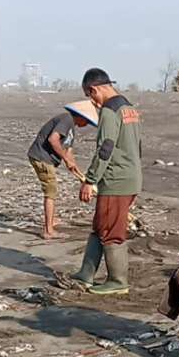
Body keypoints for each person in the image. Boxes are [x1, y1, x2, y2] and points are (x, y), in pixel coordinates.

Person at [69, 68, 143, 295]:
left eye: (91, 96)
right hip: (131, 176)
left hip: (116, 181)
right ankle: (86, 273)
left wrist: (89, 180)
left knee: (111, 231)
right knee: (100, 226)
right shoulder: (130, 108)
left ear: (95, 89)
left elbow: (105, 148)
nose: (93, 102)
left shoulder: (110, 111)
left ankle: (118, 281)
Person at [27, 101, 98, 239]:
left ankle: (51, 220)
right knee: (50, 192)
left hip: (47, 159)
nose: (86, 125)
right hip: (41, 158)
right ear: (81, 117)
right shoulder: (66, 119)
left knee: (52, 191)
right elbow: (53, 140)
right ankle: (48, 230)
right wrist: (65, 158)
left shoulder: (71, 127)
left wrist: (73, 164)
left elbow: (68, 149)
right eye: (87, 122)